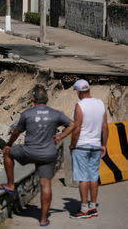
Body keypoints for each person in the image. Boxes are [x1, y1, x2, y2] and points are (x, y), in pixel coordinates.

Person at [0, 84, 74, 227]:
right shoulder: (55, 113)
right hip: (48, 153)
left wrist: (8, 144)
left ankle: (10, 184)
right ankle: (43, 219)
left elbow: (16, 132)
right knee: (46, 185)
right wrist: (60, 137)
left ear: (33, 99)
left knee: (8, 153)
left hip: (29, 152)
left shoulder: (27, 114)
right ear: (47, 99)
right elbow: (72, 125)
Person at [54, 79, 108, 219]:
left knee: (83, 178)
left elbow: (77, 128)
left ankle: (84, 209)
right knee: (93, 177)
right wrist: (104, 145)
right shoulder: (100, 103)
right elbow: (105, 127)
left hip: (82, 146)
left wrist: (72, 144)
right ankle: (93, 207)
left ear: (78, 91)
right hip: (96, 145)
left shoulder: (80, 105)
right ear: (88, 89)